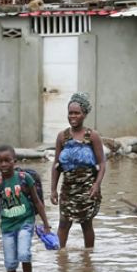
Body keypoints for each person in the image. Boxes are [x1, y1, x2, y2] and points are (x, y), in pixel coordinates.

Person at [0, 145, 51, 272]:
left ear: (14, 161)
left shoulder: (24, 178)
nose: (4, 164)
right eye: (0, 161)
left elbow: (37, 202)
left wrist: (46, 224)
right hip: (7, 227)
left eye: (7, 160)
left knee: (24, 254)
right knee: (10, 263)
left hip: (25, 222)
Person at [50, 92, 106, 248]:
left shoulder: (92, 136)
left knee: (86, 224)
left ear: (84, 114)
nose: (73, 116)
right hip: (68, 187)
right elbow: (56, 165)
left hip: (88, 188)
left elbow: (102, 164)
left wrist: (96, 185)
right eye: (70, 113)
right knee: (63, 223)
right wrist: (53, 190)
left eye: (77, 113)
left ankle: (88, 258)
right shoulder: (62, 137)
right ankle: (60, 258)